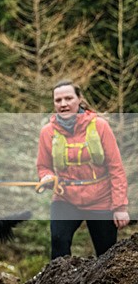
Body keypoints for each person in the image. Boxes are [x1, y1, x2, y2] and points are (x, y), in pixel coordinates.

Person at [36, 80, 129, 259]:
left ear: (79, 99)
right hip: (65, 197)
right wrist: (47, 177)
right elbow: (43, 166)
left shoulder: (100, 126)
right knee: (58, 241)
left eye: (68, 98)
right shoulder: (47, 132)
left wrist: (120, 206)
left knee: (107, 254)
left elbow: (116, 168)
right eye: (58, 100)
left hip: (101, 198)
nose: (63, 104)